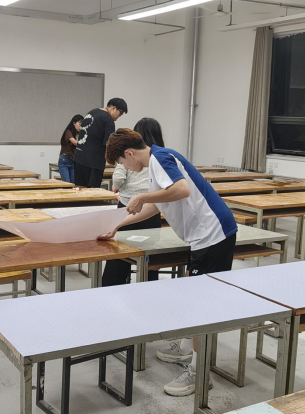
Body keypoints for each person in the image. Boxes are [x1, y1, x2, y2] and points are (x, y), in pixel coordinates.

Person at [98, 128, 238, 397]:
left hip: (212, 235)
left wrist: (142, 196)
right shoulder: (157, 161)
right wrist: (118, 225)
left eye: (121, 162)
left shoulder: (160, 158)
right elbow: (156, 206)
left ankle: (199, 372)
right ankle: (186, 349)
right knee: (193, 292)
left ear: (129, 153)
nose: (124, 167)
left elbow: (181, 190)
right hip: (205, 235)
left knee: (203, 304)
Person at [102, 118, 165, 286]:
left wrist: (117, 188)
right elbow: (160, 198)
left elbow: (118, 178)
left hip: (127, 207)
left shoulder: (130, 154)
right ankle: (149, 286)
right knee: (149, 254)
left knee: (119, 254)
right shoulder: (158, 157)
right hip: (151, 210)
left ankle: (113, 287)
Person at [74, 98, 128, 188]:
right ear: (114, 108)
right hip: (93, 162)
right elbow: (110, 143)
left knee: (79, 189)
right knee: (93, 192)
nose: (119, 116)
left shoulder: (92, 112)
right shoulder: (108, 120)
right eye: (120, 113)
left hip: (78, 157)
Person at [58, 114, 83, 183]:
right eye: (80, 124)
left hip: (73, 160)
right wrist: (85, 144)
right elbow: (75, 142)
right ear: (74, 123)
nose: (81, 126)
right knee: (67, 184)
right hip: (64, 160)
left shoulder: (79, 133)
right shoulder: (68, 132)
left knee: (73, 184)